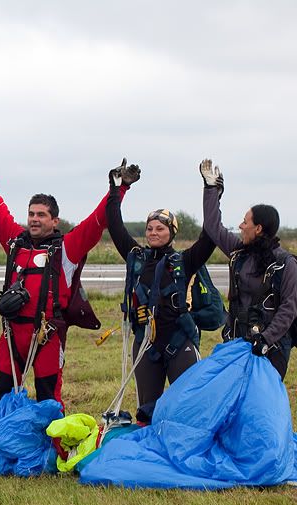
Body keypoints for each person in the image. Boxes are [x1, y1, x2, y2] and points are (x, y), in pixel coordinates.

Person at [0, 151, 133, 409]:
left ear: (54, 220)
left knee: (48, 399)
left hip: (47, 335)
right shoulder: (15, 242)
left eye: (41, 215)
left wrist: (119, 189)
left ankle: (53, 449)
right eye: (31, 214)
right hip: (11, 334)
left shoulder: (67, 248)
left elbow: (96, 221)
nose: (34, 219)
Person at [107, 162, 216, 423]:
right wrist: (117, 188)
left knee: (186, 409)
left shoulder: (185, 261)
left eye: (161, 229)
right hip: (145, 343)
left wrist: (211, 189)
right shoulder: (136, 257)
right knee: (147, 409)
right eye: (150, 228)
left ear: (171, 233)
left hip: (179, 342)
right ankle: (149, 458)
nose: (154, 233)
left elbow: (210, 235)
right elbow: (114, 225)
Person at [201, 158, 297, 378]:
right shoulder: (239, 252)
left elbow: (289, 308)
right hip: (237, 342)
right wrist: (211, 191)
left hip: (270, 348)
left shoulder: (285, 263)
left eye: (245, 222)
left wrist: (265, 339)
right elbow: (213, 227)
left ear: (259, 228)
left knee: (259, 406)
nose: (241, 226)